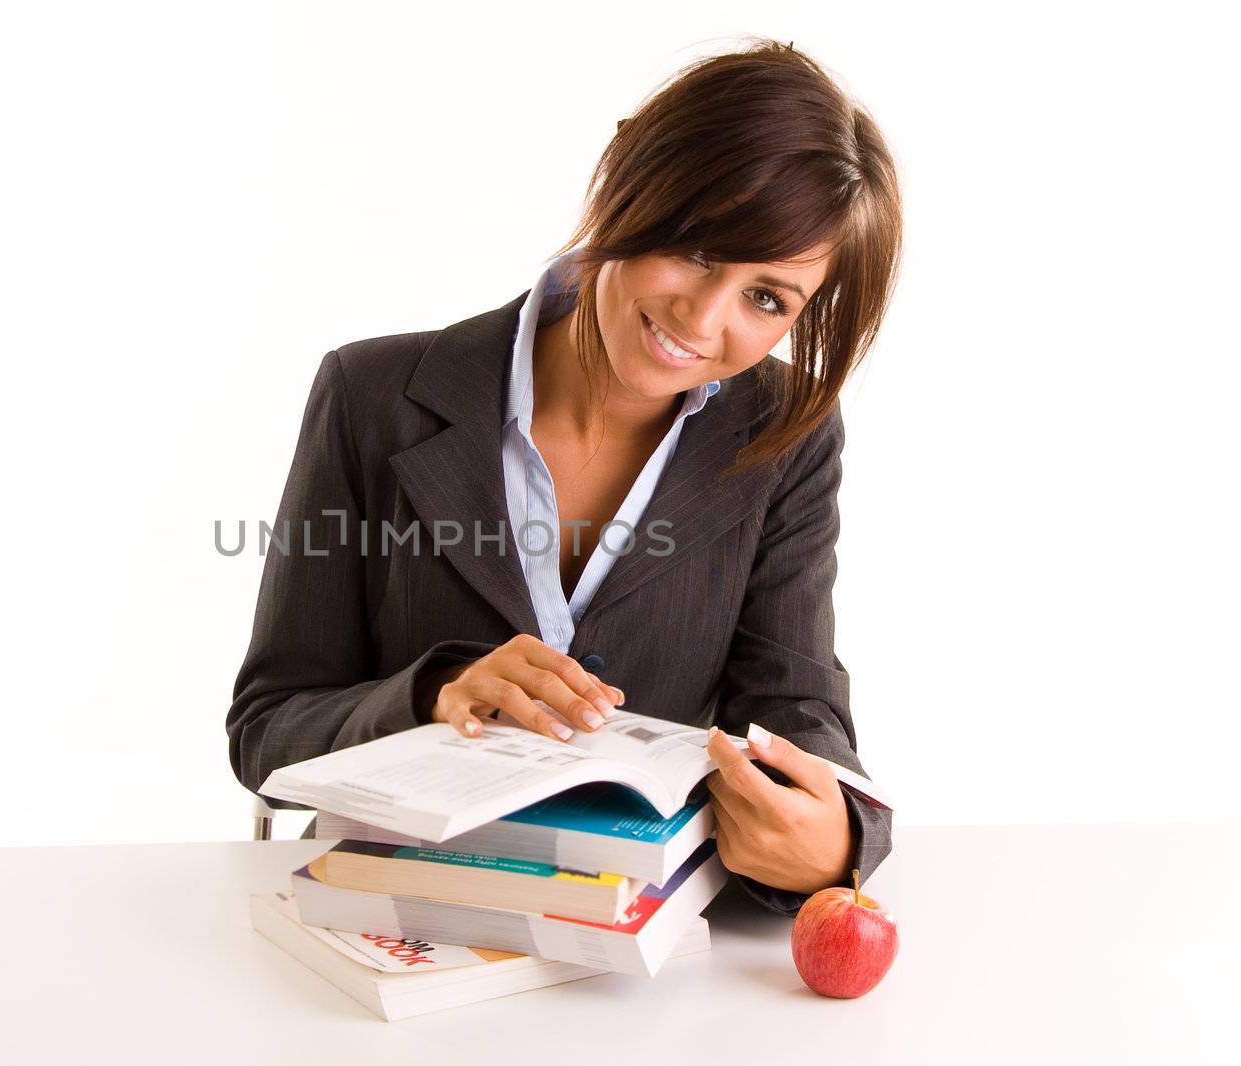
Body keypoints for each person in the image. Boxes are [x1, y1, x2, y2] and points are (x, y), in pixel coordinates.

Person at [226, 39, 902, 917]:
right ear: (626, 175)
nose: (704, 320)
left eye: (767, 298)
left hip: (640, 961)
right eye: (698, 250)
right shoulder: (373, 396)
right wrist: (432, 695)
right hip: (397, 920)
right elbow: (268, 728)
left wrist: (840, 836)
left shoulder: (784, 432)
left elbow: (794, 707)